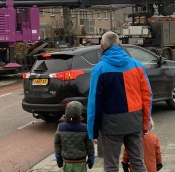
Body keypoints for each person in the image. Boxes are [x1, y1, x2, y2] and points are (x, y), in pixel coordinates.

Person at [87, 31, 153, 172]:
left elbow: (94, 103)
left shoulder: (99, 70)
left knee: (111, 166)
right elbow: (147, 97)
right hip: (135, 122)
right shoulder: (137, 66)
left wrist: (93, 132)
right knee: (138, 163)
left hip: (111, 125)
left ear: (102, 47)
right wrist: (145, 124)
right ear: (120, 44)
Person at [54, 101, 96, 172]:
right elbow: (89, 145)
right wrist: (91, 157)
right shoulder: (85, 128)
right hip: (80, 162)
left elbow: (57, 144)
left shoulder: (61, 127)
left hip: (67, 162)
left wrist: (58, 157)